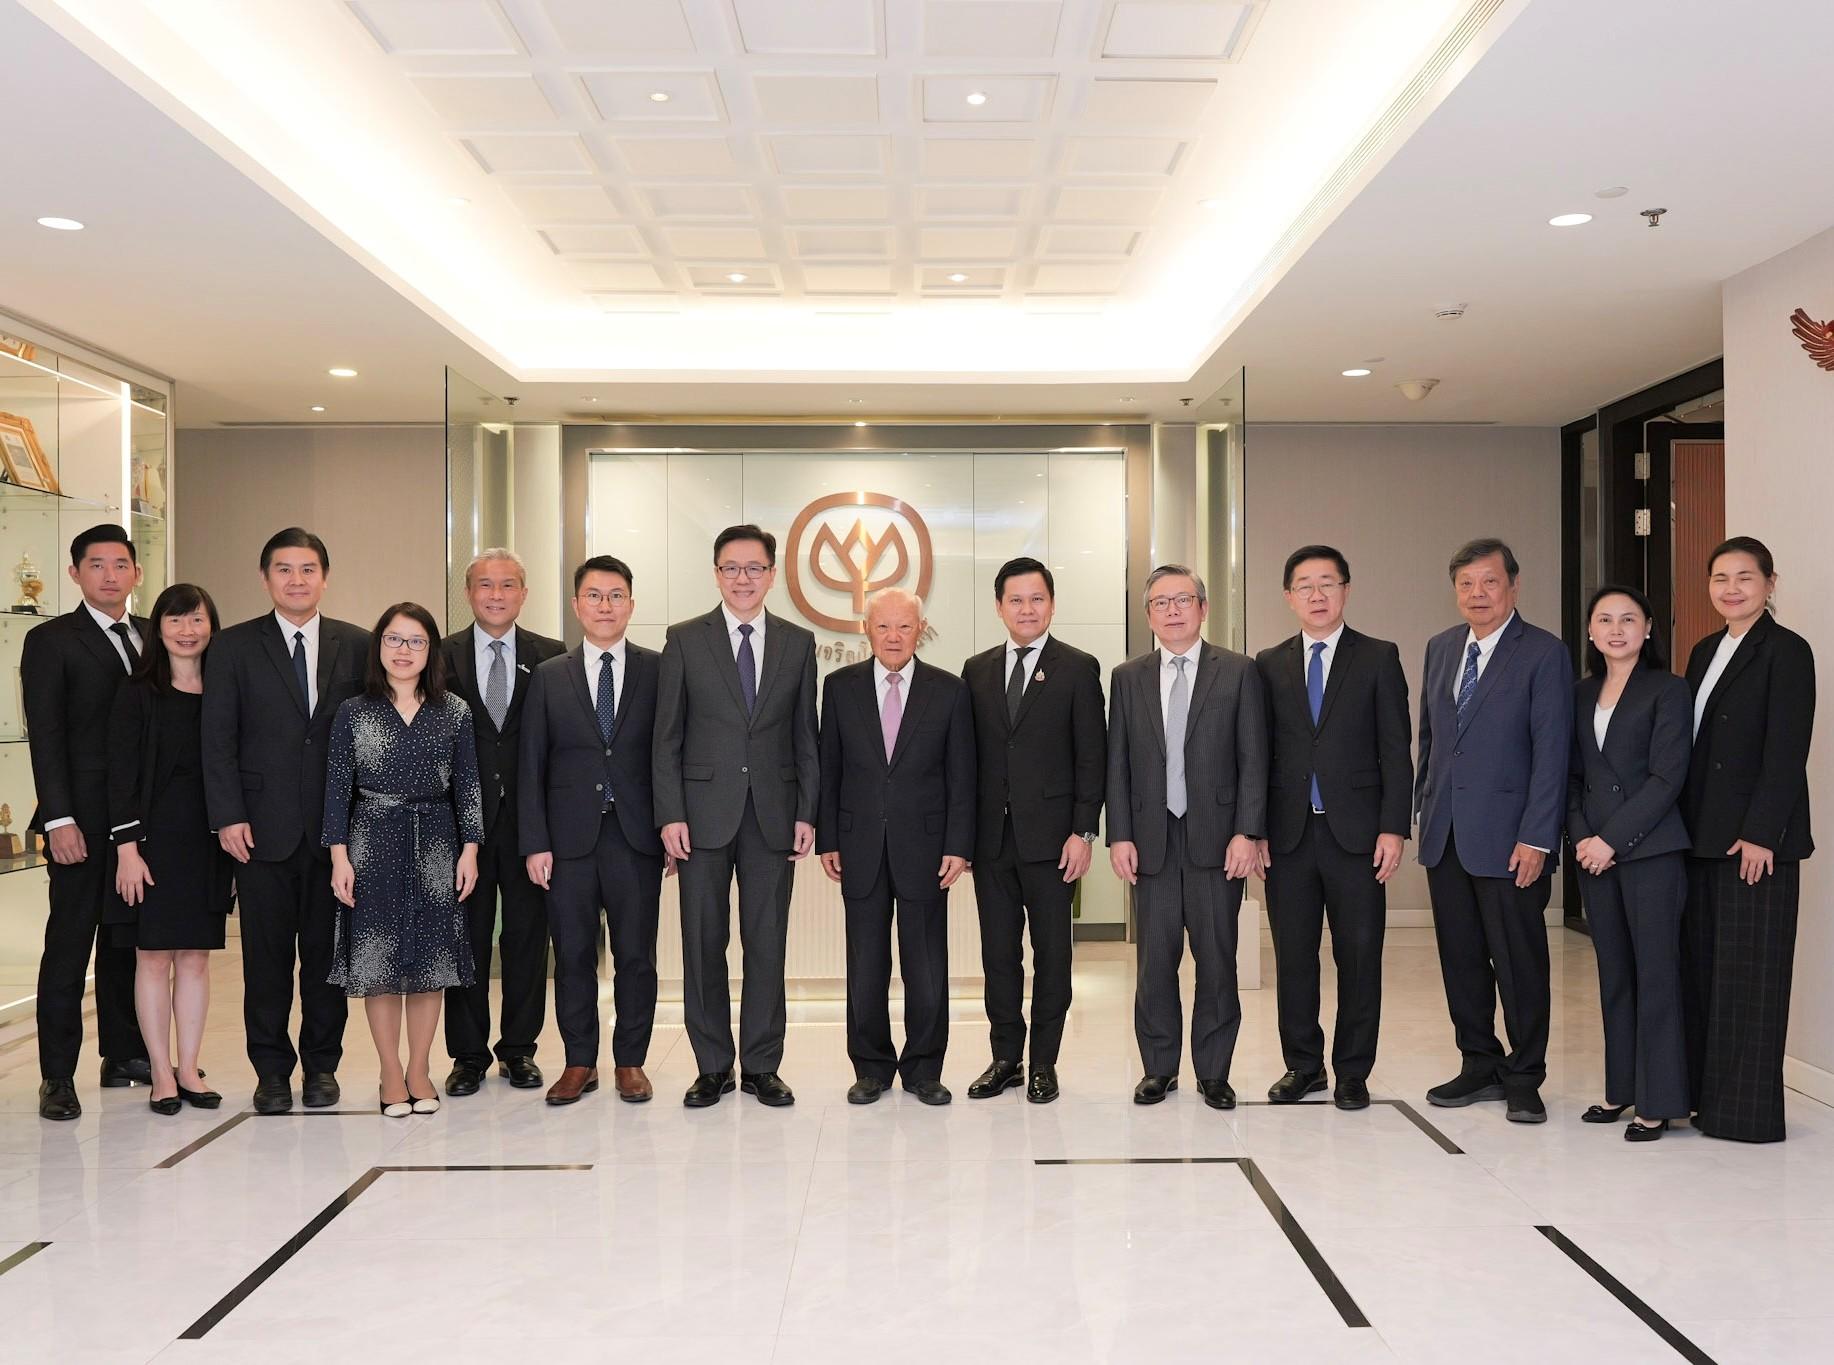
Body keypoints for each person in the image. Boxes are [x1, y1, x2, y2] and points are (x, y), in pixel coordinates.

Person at [202, 527, 369, 1114]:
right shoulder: (233, 647)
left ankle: (322, 1067)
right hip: (260, 832)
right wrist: (227, 815)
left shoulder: (358, 643)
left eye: (307, 569)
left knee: (328, 962)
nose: (296, 580)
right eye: (283, 570)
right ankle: (271, 1071)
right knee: (265, 963)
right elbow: (217, 738)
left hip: (337, 835)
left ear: (325, 576)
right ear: (265, 578)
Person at [654, 524, 819, 1109]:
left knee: (767, 942)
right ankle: (712, 1065)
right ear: (716, 573)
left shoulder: (799, 643)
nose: (743, 578)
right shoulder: (683, 640)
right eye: (731, 568)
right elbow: (666, 737)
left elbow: (806, 736)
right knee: (702, 941)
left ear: (773, 574)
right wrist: (669, 814)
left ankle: (762, 1066)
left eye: (754, 568)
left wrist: (807, 810)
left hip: (773, 815)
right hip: (699, 819)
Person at [1415, 538, 1572, 1124]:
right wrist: (1422, 808)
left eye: (1489, 582)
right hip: (1446, 836)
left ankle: (1526, 1074)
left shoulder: (1542, 653)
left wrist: (1537, 837)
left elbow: (1552, 752)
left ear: (1513, 585)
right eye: (1466, 585)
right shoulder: (1441, 648)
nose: (1477, 595)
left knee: (1519, 960)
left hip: (1512, 842)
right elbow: (1430, 741)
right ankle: (1479, 1063)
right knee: (1461, 958)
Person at [1253, 546, 1411, 1111]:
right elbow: (1259, 754)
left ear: (1346, 590)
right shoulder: (1266, 663)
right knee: (1294, 957)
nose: (1316, 595)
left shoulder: (1377, 657)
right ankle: (1303, 1066)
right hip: (1288, 837)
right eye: (1304, 585)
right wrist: (1254, 828)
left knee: (1360, 954)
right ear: (1288, 597)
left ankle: (1352, 1071)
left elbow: (1397, 750)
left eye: (1327, 584)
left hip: (1359, 837)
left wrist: (1394, 827)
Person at [1106, 565, 1267, 1109]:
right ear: (1148, 614)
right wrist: (1119, 834)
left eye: (1183, 600)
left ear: (1203, 608)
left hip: (1218, 841)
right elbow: (1118, 763)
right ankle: (1159, 1068)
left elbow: (1253, 758)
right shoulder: (1128, 676)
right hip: (1150, 839)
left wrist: (1248, 831)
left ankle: (1214, 1072)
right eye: (1160, 602)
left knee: (1218, 958)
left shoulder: (1239, 672)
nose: (1172, 610)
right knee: (1154, 960)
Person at [324, 603, 483, 1117]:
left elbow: (469, 788)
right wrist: (339, 858)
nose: (404, 651)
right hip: (372, 842)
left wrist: (471, 849)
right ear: (379, 648)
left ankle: (420, 1068)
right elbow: (336, 792)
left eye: (416, 642)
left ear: (431, 651)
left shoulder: (453, 711)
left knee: (431, 965)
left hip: (438, 844)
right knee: (381, 964)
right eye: (394, 640)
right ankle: (390, 1071)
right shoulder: (354, 712)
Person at [1681, 536, 1815, 1143]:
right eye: (1719, 578)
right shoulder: (1705, 650)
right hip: (1702, 839)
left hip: (1756, 846)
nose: (1731, 588)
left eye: (1744, 577)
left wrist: (1762, 833)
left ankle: (1746, 1115)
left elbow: (1787, 752)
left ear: (1769, 583)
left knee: (1752, 980)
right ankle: (1706, 1102)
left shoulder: (1787, 651)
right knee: (1707, 974)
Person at [818, 588, 974, 1106]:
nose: (892, 636)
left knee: (926, 964)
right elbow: (830, 769)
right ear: (866, 630)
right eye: (882, 626)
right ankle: (871, 1068)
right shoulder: (838, 688)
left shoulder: (948, 691)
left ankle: (925, 1068)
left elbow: (962, 776)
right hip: (858, 844)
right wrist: (828, 838)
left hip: (927, 847)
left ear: (920, 629)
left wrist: (958, 844)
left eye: (903, 627)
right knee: (866, 966)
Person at [521, 556, 666, 1106]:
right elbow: (532, 764)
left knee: (636, 955)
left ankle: (630, 1060)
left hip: (636, 839)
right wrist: (535, 841)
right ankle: (579, 1060)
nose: (605, 606)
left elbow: (667, 755)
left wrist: (670, 829)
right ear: (577, 604)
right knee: (574, 954)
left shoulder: (658, 670)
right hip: (568, 843)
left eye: (616, 595)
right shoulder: (551, 675)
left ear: (631, 604)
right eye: (594, 596)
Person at [960, 557, 1105, 1104]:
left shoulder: (1077, 667)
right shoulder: (975, 670)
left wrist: (1083, 832)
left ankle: (1044, 1061)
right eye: (1015, 600)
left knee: (1052, 957)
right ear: (999, 607)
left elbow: (1093, 757)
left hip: (1054, 844)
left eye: (1036, 598)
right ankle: (1005, 1059)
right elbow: (967, 759)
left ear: (1051, 604)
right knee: (998, 957)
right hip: (991, 843)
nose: (1026, 609)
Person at [25, 524, 150, 1120]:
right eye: (95, 565)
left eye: (120, 564)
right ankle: (56, 1075)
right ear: (75, 573)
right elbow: (45, 735)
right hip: (78, 819)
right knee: (70, 946)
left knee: (128, 940)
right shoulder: (51, 640)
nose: (109, 575)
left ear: (136, 574)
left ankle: (124, 1053)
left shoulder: (153, 635)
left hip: (140, 822)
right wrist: (58, 819)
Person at [1568, 585, 1692, 1142]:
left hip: (1650, 853)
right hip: (1594, 856)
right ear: (1591, 632)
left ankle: (1659, 1102)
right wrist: (1582, 838)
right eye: (1604, 620)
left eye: (1628, 619)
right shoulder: (1578, 692)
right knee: (1614, 973)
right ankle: (1621, 1090)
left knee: (1656, 975)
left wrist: (1611, 840)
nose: (1616, 629)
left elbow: (1668, 778)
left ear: (1647, 630)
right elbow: (1568, 776)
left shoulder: (1669, 690)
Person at [439, 549, 564, 1097]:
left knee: (527, 939)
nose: (496, 594)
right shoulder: (440, 655)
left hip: (529, 825)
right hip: (458, 826)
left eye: (507, 584)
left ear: (524, 593)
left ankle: (519, 1049)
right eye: (484, 585)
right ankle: (466, 1055)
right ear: (467, 593)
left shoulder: (552, 656)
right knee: (462, 939)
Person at [107, 583, 233, 1115]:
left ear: (211, 626)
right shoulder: (138, 691)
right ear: (157, 628)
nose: (188, 631)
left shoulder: (224, 689)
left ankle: (188, 1066)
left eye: (197, 620)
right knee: (154, 957)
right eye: (176, 621)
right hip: (152, 844)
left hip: (208, 842)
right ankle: (159, 1072)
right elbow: (121, 775)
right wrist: (127, 849)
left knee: (196, 959)